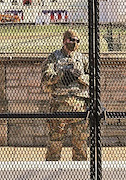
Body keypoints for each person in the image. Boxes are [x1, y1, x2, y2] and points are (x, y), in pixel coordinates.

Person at [41, 29, 90, 161]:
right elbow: (46, 77)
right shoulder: (54, 57)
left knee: (80, 146)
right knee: (54, 145)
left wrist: (79, 77)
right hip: (59, 107)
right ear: (64, 41)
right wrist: (61, 75)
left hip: (79, 108)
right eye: (71, 40)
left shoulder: (82, 58)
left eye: (77, 41)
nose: (74, 43)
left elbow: (94, 79)